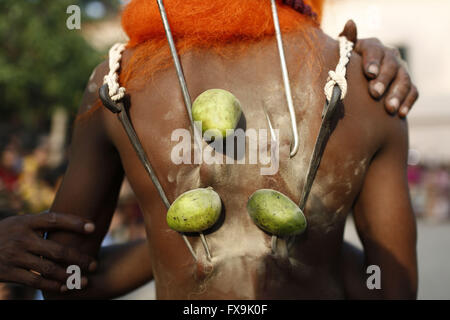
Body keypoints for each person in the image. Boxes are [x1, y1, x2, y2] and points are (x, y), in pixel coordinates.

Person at [1, 0, 417, 298]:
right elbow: (392, 288)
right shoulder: (366, 83)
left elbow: (64, 279)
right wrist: (306, 243)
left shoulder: (117, 82)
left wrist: (168, 246)